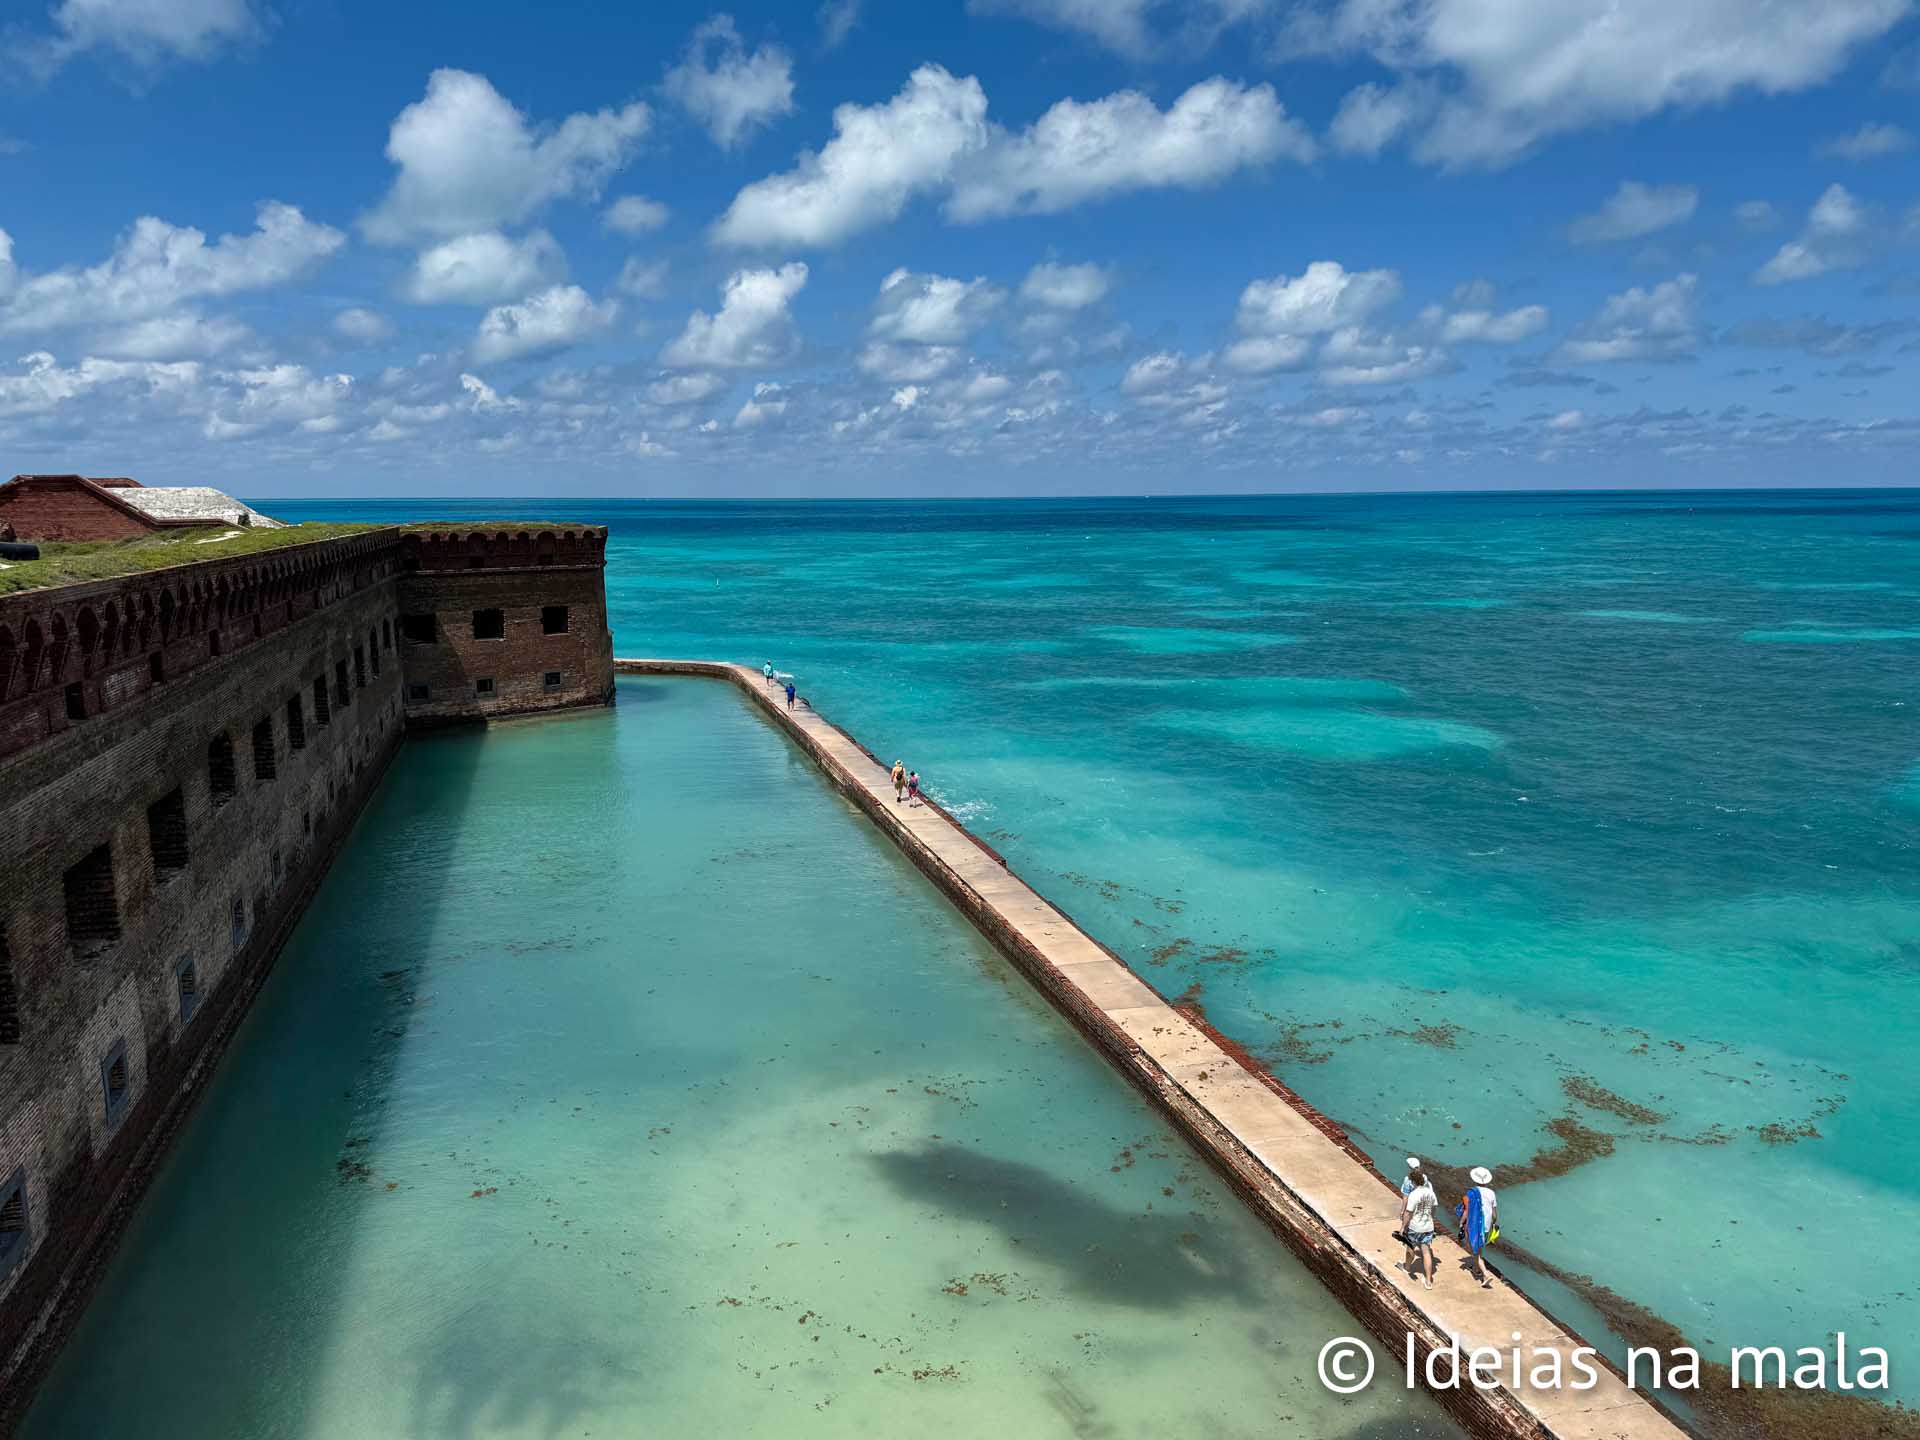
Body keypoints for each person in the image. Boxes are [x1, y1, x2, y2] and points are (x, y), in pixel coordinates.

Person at [1456, 1166, 1499, 1289]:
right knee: (1479, 1248)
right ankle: (1477, 1269)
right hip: (1486, 1226)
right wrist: (1493, 1225)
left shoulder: (1471, 1192)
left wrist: (1461, 1223)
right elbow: (1494, 1214)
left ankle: (1485, 1274)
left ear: (1475, 1179)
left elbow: (1466, 1211)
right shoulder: (1491, 1193)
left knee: (1475, 1251)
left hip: (1474, 1225)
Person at [1401, 1169, 1440, 1289]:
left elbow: (1408, 1213)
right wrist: (1431, 1219)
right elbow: (1434, 1208)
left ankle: (1407, 1267)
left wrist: (1402, 1227)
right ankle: (1428, 1281)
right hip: (1428, 1226)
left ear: (1413, 1181)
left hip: (1415, 1226)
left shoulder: (1414, 1194)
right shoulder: (1430, 1192)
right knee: (1426, 1252)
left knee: (1410, 1248)